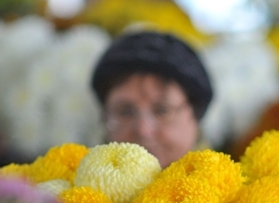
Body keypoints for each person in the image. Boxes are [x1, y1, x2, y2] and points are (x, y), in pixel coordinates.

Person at [91, 30, 213, 167]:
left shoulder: (234, 184)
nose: (144, 130)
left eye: (162, 110)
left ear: (196, 114)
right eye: (125, 112)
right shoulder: (73, 185)